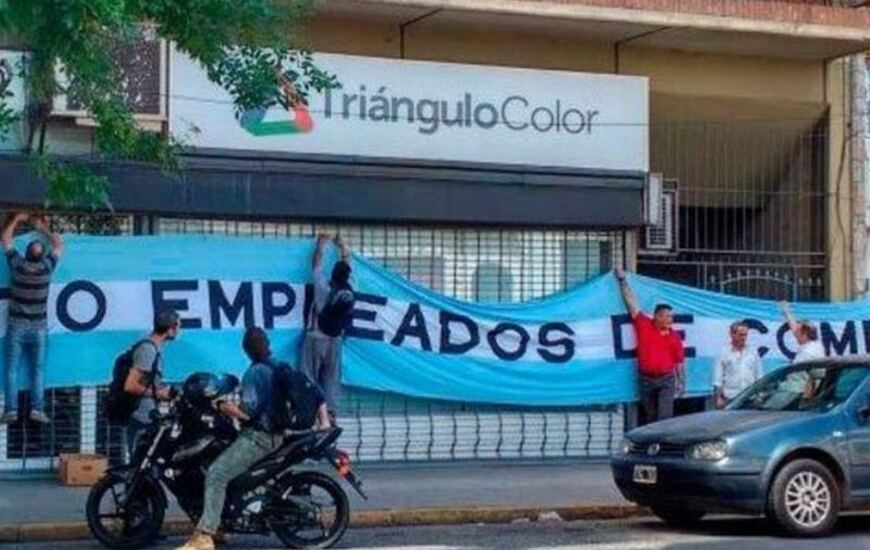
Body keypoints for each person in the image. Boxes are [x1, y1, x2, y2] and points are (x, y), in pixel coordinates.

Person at [177, 326, 331, 550]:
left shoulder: (254, 372)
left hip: (258, 437)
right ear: (268, 345)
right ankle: (217, 523)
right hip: (277, 436)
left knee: (217, 474)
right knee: (221, 464)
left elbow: (246, 413)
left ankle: (205, 536)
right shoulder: (280, 366)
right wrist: (324, 422)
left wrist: (221, 405)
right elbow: (315, 392)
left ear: (246, 350)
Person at [1, 212, 63, 424]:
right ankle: (37, 410)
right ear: (41, 256)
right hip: (38, 329)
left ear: (25, 253)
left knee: (11, 369)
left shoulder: (17, 267)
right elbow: (58, 244)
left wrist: (17, 220)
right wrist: (41, 227)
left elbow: (6, 241)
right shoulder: (46, 269)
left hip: (16, 327)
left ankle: (10, 410)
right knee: (37, 370)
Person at [615, 267, 685, 425]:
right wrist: (622, 281)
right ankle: (652, 447)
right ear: (657, 317)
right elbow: (631, 302)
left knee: (665, 418)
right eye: (667, 316)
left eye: (671, 317)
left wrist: (681, 382)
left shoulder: (675, 337)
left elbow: (679, 362)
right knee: (650, 417)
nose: (670, 319)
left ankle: (664, 446)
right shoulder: (644, 324)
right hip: (645, 379)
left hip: (666, 380)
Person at [300, 233, 353, 416]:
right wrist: (343, 247)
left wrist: (321, 243)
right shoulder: (351, 289)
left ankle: (309, 413)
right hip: (336, 339)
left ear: (332, 274)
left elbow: (316, 265)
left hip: (315, 336)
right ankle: (330, 416)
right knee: (331, 380)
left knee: (308, 376)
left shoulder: (323, 287)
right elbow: (347, 266)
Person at [123, 309, 180, 458]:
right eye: (178, 327)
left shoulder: (154, 349)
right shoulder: (148, 350)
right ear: (170, 329)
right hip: (140, 416)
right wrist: (159, 394)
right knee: (139, 463)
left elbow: (146, 382)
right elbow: (130, 385)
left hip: (147, 415)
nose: (179, 331)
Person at [712, 321, 763, 409]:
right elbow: (718, 379)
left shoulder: (753, 352)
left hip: (750, 398)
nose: (744, 338)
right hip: (730, 399)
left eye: (745, 335)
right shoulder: (723, 352)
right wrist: (718, 398)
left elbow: (759, 376)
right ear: (732, 334)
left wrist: (760, 396)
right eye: (741, 335)